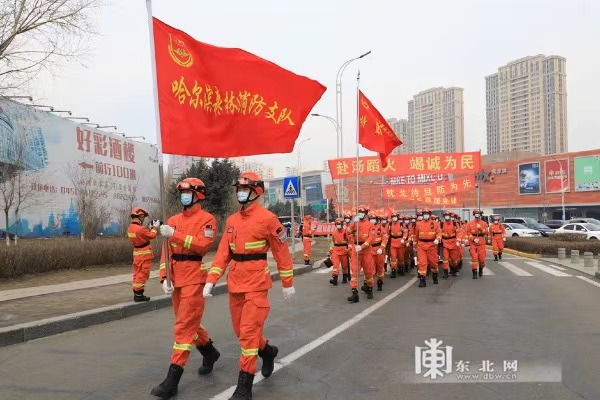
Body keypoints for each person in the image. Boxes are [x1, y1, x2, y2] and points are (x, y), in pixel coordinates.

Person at [203, 172, 295, 400]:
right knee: (241, 332)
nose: (240, 193)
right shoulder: (232, 221)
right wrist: (211, 280)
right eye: (238, 189)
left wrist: (287, 283)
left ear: (257, 191)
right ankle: (268, 351)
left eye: (245, 189)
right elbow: (223, 253)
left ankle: (244, 386)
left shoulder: (268, 219)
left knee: (248, 334)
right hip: (236, 284)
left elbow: (281, 251)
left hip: (256, 284)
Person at [150, 178, 221, 400]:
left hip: (193, 278)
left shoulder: (207, 219)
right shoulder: (172, 220)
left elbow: (203, 244)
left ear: (198, 194)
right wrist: (164, 276)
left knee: (183, 326)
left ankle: (172, 380)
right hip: (176, 278)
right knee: (189, 323)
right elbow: (166, 251)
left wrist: (175, 234)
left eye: (187, 192)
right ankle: (209, 351)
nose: (183, 196)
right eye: (181, 192)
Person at [127, 207, 159, 302]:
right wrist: (155, 227)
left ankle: (136, 292)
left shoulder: (130, 228)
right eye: (143, 217)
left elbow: (143, 235)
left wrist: (149, 228)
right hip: (144, 255)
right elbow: (152, 235)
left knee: (137, 273)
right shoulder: (140, 229)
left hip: (137, 254)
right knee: (143, 274)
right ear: (140, 216)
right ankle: (139, 294)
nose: (144, 219)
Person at [346, 205, 376, 302]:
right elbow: (347, 232)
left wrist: (362, 246)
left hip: (366, 251)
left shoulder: (370, 225)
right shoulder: (355, 223)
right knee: (354, 272)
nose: (360, 214)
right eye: (359, 212)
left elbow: (371, 238)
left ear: (366, 214)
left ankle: (370, 289)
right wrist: (353, 223)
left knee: (368, 272)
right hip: (356, 250)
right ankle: (355, 293)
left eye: (362, 212)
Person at [415, 208, 441, 288]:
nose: (425, 215)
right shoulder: (418, 224)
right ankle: (422, 280)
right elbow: (416, 236)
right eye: (424, 214)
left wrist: (437, 239)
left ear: (429, 215)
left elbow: (439, 232)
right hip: (421, 245)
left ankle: (435, 275)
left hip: (432, 245)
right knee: (422, 263)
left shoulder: (435, 223)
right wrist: (415, 245)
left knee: (433, 262)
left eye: (427, 214)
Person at [465, 209, 489, 279]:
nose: (477, 214)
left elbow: (486, 233)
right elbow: (468, 232)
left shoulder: (484, 223)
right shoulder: (470, 223)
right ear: (474, 214)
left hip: (481, 243)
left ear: (480, 214)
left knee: (481, 260)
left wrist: (480, 228)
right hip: (473, 243)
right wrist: (473, 238)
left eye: (478, 213)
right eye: (475, 213)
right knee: (474, 258)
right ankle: (474, 272)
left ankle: (481, 269)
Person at [329, 217, 350, 285]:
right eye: (337, 224)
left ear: (342, 224)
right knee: (335, 265)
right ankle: (335, 278)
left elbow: (349, 241)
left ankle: (345, 277)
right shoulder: (334, 232)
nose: (338, 225)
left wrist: (348, 249)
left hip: (344, 250)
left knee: (344, 266)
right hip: (336, 250)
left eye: (339, 224)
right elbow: (333, 242)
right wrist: (331, 249)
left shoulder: (346, 232)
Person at [440, 210, 461, 279]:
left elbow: (459, 233)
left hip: (453, 243)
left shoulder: (455, 224)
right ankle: (445, 273)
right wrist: (438, 239)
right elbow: (439, 232)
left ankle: (454, 269)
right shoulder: (441, 224)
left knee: (454, 259)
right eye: (445, 215)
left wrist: (458, 240)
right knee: (445, 259)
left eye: (448, 215)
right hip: (445, 243)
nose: (447, 217)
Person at [369, 213, 387, 292]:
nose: (372, 220)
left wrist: (381, 247)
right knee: (370, 268)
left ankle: (380, 281)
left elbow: (385, 239)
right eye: (371, 219)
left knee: (380, 268)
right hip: (370, 250)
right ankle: (369, 285)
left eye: (374, 219)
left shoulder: (381, 228)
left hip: (379, 250)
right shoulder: (368, 228)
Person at [389, 212, 409, 278]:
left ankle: (401, 269)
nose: (394, 218)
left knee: (401, 257)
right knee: (393, 257)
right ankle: (393, 271)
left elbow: (406, 232)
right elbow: (386, 233)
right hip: (393, 243)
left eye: (395, 216)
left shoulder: (401, 224)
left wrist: (403, 238)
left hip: (400, 243)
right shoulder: (390, 224)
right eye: (393, 217)